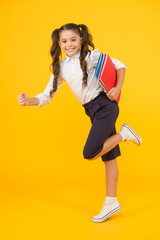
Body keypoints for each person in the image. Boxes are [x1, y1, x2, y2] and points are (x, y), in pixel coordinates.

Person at [17, 23, 142, 223]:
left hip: (105, 106)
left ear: (81, 40)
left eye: (73, 40)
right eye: (64, 41)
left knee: (90, 152)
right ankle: (111, 202)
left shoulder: (91, 56)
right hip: (92, 111)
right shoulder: (61, 67)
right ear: (59, 43)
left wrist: (118, 88)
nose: (69, 44)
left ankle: (124, 135)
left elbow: (120, 66)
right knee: (108, 157)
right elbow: (47, 95)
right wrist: (29, 101)